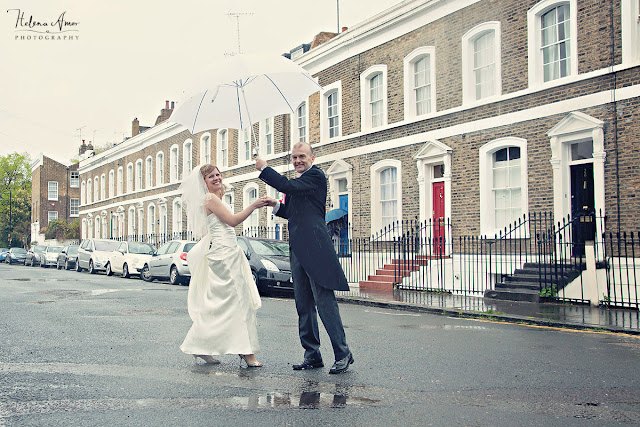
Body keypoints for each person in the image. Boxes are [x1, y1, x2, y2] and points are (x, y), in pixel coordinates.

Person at [255, 142, 354, 374]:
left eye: (302, 156)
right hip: (297, 247)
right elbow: (292, 212)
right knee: (303, 303)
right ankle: (312, 355)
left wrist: (264, 168)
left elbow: (285, 184)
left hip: (316, 248)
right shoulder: (299, 184)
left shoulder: (316, 176)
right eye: (294, 157)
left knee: (324, 301)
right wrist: (276, 206)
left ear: (312, 157)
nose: (297, 160)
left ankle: (343, 353)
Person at [179, 164, 270, 367]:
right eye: (211, 176)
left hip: (228, 252)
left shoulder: (214, 197)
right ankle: (246, 352)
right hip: (224, 254)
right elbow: (232, 221)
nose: (217, 178)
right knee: (240, 300)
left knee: (222, 305)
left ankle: (199, 345)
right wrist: (253, 205)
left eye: (218, 174)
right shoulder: (210, 199)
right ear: (203, 182)